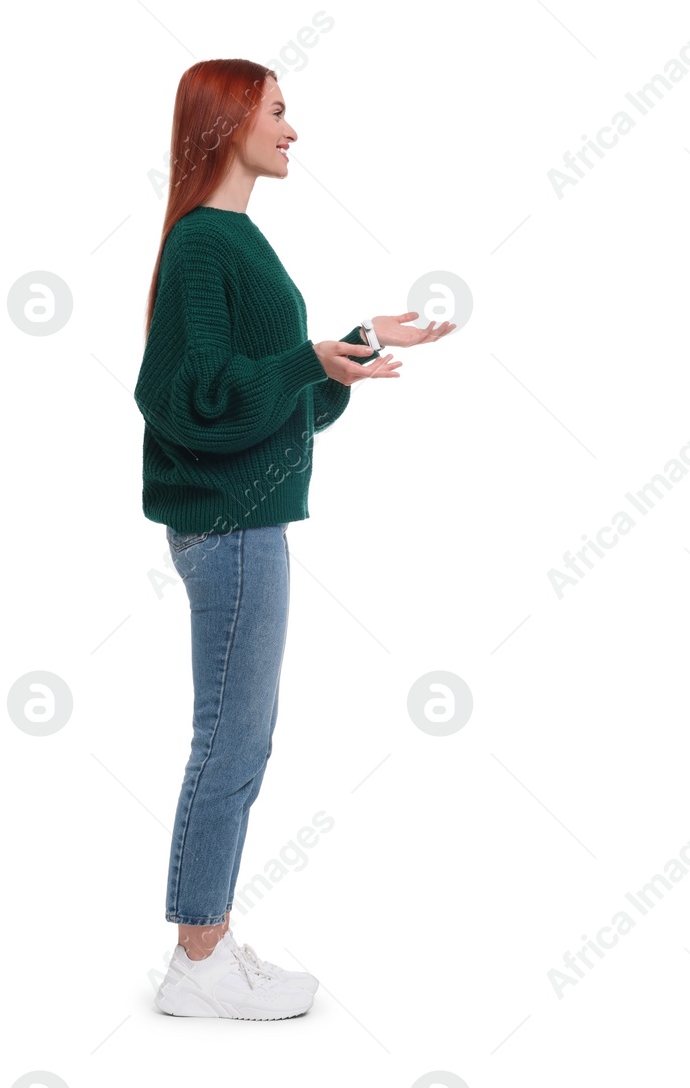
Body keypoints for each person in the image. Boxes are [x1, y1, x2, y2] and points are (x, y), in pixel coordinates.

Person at [133, 59, 456, 1020]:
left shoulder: (234, 240)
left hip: (248, 520)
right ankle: (198, 956)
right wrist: (307, 359)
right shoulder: (201, 247)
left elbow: (265, 398)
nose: (292, 129)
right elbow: (191, 401)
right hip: (229, 527)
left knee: (243, 734)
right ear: (228, 121)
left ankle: (211, 938)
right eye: (277, 110)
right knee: (229, 737)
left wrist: (341, 353)